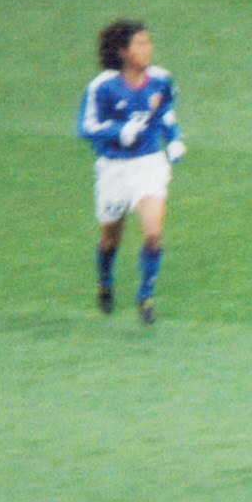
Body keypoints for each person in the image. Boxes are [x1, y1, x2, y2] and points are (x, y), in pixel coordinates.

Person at [76, 20, 186, 324]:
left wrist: (174, 140)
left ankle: (145, 297)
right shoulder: (102, 87)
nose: (148, 49)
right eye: (140, 43)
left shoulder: (161, 79)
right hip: (114, 169)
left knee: (153, 233)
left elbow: (165, 113)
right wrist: (118, 131)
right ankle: (105, 282)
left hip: (149, 163)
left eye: (148, 42)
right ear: (123, 52)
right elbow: (87, 127)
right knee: (111, 239)